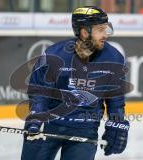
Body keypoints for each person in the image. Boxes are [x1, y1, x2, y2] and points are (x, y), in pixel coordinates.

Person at [21, 6, 130, 160]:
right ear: (84, 32)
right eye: (100, 30)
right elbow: (40, 91)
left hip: (86, 130)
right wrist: (36, 119)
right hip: (50, 126)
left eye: (106, 29)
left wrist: (117, 125)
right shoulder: (54, 55)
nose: (105, 34)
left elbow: (116, 100)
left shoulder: (114, 58)